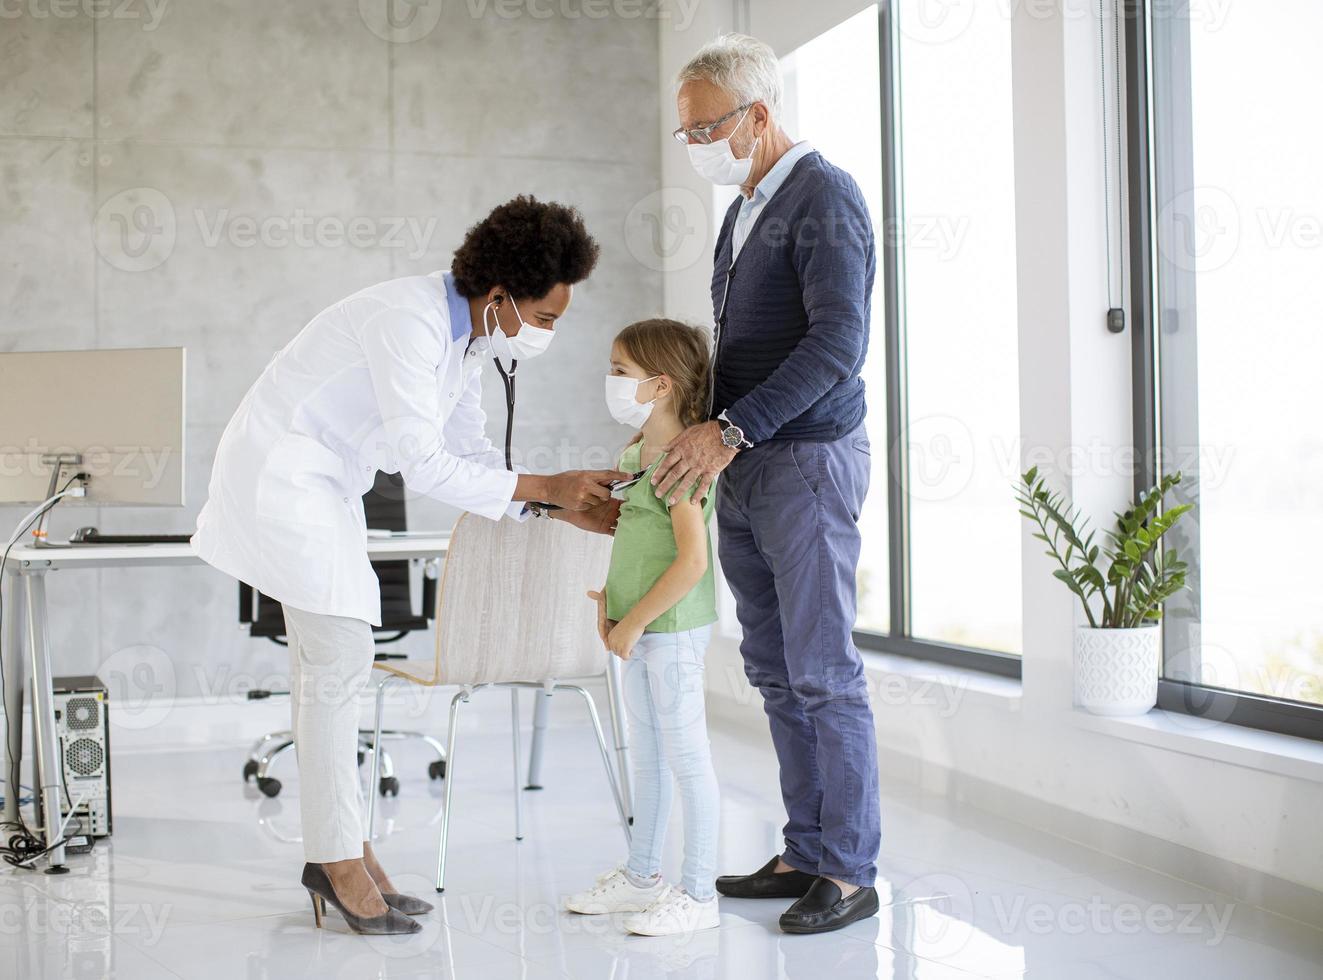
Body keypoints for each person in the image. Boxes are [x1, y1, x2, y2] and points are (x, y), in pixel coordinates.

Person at [192, 196, 627, 936]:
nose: (550, 333)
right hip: (283, 475)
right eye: (547, 317)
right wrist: (542, 491)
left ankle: (342, 849)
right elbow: (422, 464)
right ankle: (335, 859)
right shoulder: (409, 320)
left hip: (327, 484)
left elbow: (474, 455)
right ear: (498, 297)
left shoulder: (469, 340)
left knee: (332, 661)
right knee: (339, 654)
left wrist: (556, 502)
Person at [653, 35, 881, 935]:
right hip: (743, 463)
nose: (697, 145)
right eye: (685, 134)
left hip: (805, 463)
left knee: (823, 672)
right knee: (775, 670)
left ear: (757, 114)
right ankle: (804, 851)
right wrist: (686, 427)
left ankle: (850, 870)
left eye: (705, 127)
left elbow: (837, 345)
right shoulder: (745, 206)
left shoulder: (824, 196)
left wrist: (735, 428)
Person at [565, 318, 721, 938]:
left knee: (687, 758)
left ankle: (700, 892)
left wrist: (633, 620)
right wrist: (613, 600)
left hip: (670, 630)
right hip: (638, 626)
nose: (609, 381)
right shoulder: (636, 453)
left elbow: (692, 561)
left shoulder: (679, 461)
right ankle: (641, 878)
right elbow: (633, 537)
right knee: (650, 761)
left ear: (658, 385)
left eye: (618, 371)